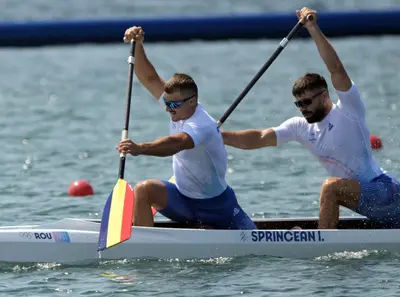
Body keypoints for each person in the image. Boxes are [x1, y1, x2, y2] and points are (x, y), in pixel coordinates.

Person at [221, 7, 400, 229]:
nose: (302, 108)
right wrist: (218, 136)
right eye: (298, 103)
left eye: (307, 102)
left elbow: (336, 68)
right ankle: (324, 237)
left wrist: (312, 28)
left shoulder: (348, 110)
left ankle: (321, 243)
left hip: (386, 192)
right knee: (332, 188)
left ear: (325, 96)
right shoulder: (301, 127)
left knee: (330, 188)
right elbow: (260, 137)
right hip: (367, 202)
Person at [117, 26, 257, 230]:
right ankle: (144, 243)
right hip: (183, 200)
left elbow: (176, 143)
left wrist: (141, 148)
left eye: (173, 105)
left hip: (217, 207)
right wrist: (137, 44)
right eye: (167, 103)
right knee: (144, 189)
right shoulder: (177, 107)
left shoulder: (202, 124)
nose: (168, 109)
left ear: (192, 101)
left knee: (255, 241)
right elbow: (149, 78)